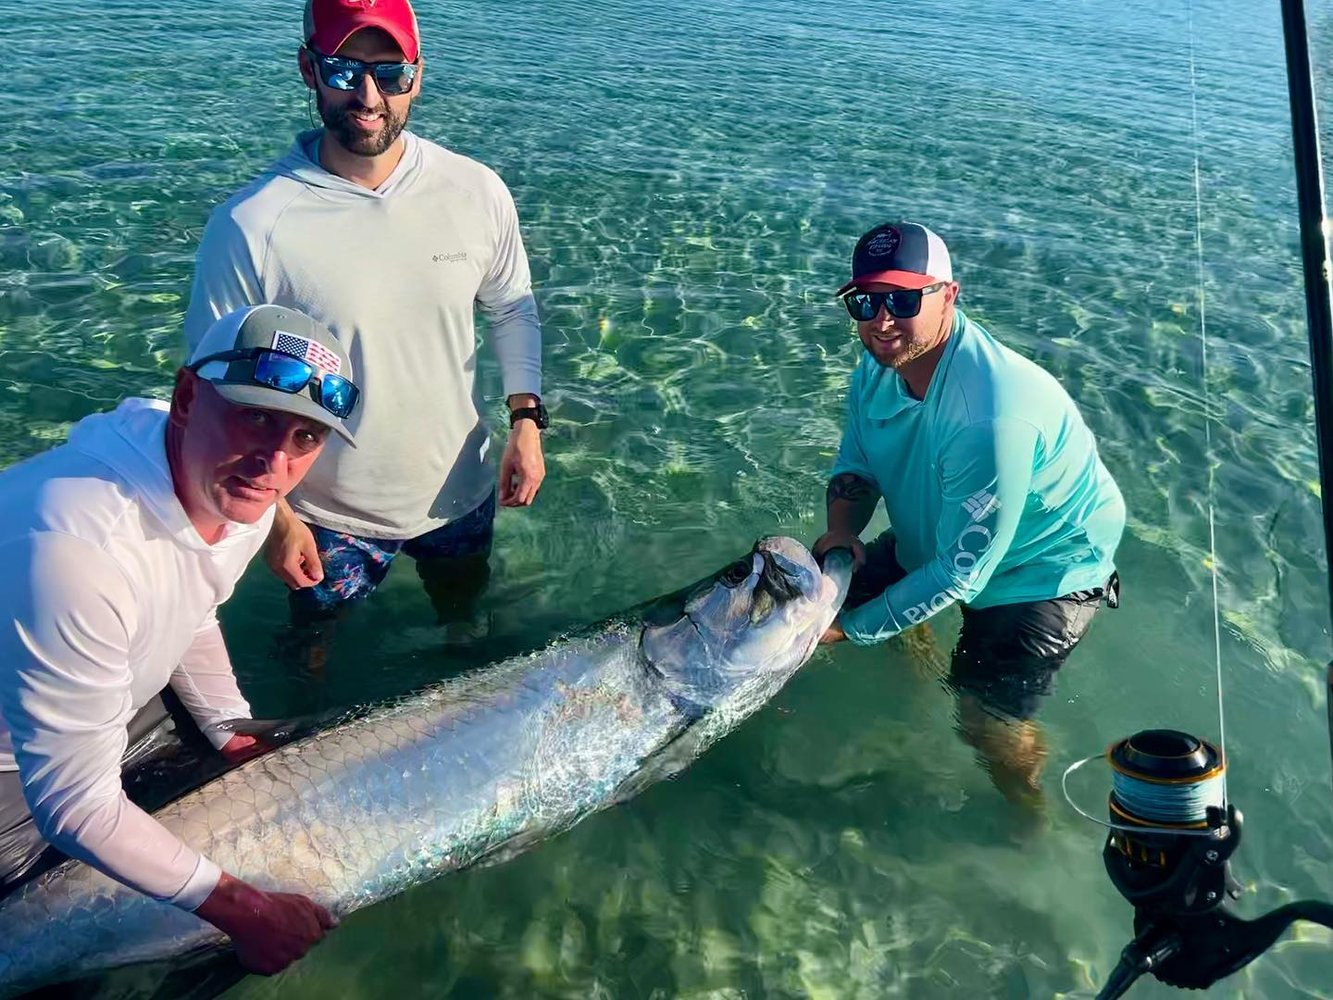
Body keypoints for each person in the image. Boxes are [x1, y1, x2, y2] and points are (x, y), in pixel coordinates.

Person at [0, 304, 361, 974]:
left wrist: (229, 728)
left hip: (93, 692)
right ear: (188, 395)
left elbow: (192, 604)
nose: (275, 462)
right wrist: (246, 911)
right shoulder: (78, 553)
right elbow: (73, 805)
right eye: (254, 416)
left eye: (306, 437)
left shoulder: (233, 486)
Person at [184, 0, 546, 642]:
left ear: (419, 74)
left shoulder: (476, 190)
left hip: (459, 492)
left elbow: (511, 304)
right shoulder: (251, 224)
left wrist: (526, 421)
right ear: (308, 69)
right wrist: (277, 518)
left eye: (392, 73)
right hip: (326, 515)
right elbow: (209, 389)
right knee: (312, 651)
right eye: (345, 71)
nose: (370, 96)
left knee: (464, 620)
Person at [813, 221, 1127, 811]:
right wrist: (841, 530)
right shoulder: (878, 369)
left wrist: (845, 632)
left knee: (983, 721)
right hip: (938, 533)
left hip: (1042, 566)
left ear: (948, 295)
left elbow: (963, 574)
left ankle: (1028, 814)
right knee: (841, 595)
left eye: (904, 299)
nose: (881, 320)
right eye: (866, 301)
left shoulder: (990, 413)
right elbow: (857, 461)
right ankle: (913, 656)